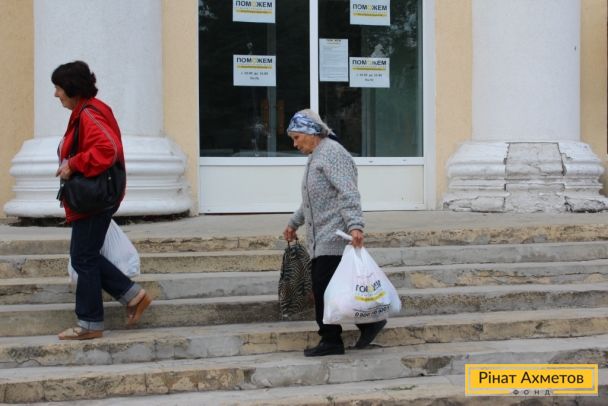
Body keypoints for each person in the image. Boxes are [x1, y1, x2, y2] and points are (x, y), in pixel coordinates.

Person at [53, 61, 151, 340]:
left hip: (94, 198)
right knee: (85, 256)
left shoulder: (88, 114)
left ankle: (89, 324)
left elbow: (107, 149)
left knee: (83, 258)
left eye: (59, 88)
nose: (56, 94)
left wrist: (74, 164)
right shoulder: (88, 111)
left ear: (72, 88)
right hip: (94, 197)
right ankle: (133, 296)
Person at [283, 109, 386, 357]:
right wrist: (293, 223)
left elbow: (348, 192)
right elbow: (311, 201)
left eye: (297, 137)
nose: (295, 144)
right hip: (321, 238)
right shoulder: (316, 156)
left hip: (335, 235)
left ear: (311, 132)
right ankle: (367, 324)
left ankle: (331, 340)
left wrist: (355, 225)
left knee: (322, 288)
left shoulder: (332, 153)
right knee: (331, 288)